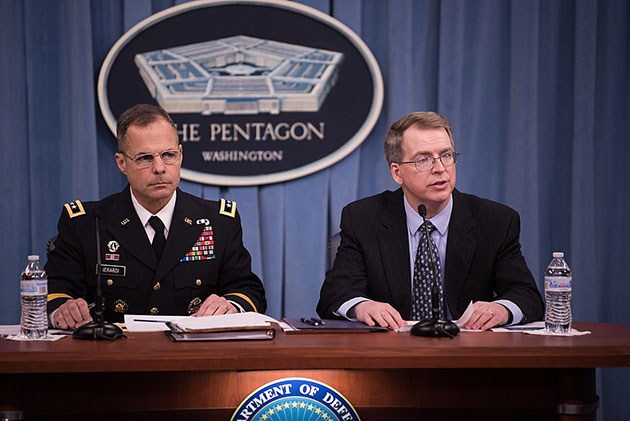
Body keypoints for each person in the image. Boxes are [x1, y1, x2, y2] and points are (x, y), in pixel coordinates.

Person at [46, 104, 266, 329]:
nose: (159, 168)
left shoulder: (218, 222)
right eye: (144, 158)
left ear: (180, 155)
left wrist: (230, 305)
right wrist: (62, 310)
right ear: (122, 163)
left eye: (168, 155)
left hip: (194, 355)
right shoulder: (85, 223)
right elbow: (54, 292)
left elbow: (249, 291)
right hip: (112, 355)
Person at [317, 111, 543, 330]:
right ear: (397, 173)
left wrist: (502, 309)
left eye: (446, 155)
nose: (440, 168)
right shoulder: (362, 218)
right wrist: (362, 306)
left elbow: (527, 296)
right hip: (389, 354)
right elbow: (334, 294)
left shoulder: (496, 221)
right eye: (423, 159)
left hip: (467, 356)